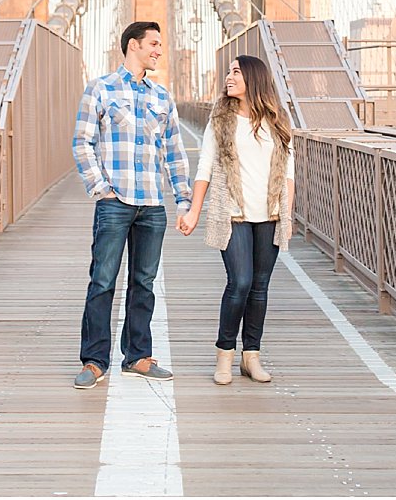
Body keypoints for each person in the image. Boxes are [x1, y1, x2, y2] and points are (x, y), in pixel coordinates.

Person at [71, 21, 193, 389]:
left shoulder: (162, 97)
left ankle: (137, 356)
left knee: (144, 282)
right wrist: (101, 189)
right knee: (103, 281)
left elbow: (175, 153)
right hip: (115, 201)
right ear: (133, 46)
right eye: (153, 44)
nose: (159, 50)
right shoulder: (100, 89)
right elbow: (82, 143)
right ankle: (94, 362)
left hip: (152, 205)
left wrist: (184, 201)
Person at [176, 54, 294, 385]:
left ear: (253, 78)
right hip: (233, 213)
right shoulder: (221, 119)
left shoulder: (277, 120)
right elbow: (205, 167)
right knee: (239, 282)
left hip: (269, 214)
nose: (229, 77)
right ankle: (224, 354)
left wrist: (287, 214)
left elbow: (289, 171)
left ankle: (251, 356)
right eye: (229, 71)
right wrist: (194, 211)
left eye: (236, 72)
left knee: (259, 288)